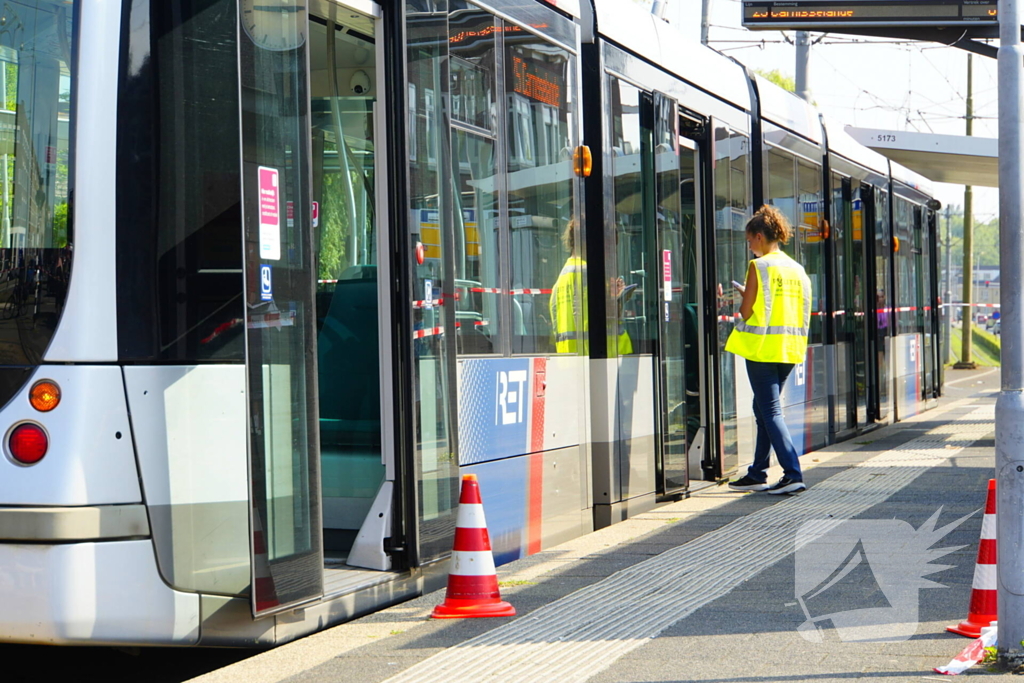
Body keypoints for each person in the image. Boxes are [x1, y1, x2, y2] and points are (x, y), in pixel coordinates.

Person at [725, 205, 812, 495]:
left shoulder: (759, 267)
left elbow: (747, 311)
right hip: (789, 349)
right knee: (762, 409)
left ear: (760, 237)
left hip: (762, 349)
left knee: (770, 411)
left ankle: (792, 472)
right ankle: (757, 472)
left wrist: (744, 295)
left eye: (750, 240)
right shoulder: (797, 270)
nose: (749, 246)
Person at [550, 219, 632, 355]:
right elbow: (605, 319)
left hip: (570, 359)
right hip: (603, 358)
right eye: (609, 246)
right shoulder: (591, 275)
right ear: (594, 241)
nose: (611, 253)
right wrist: (617, 301)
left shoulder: (562, 279)